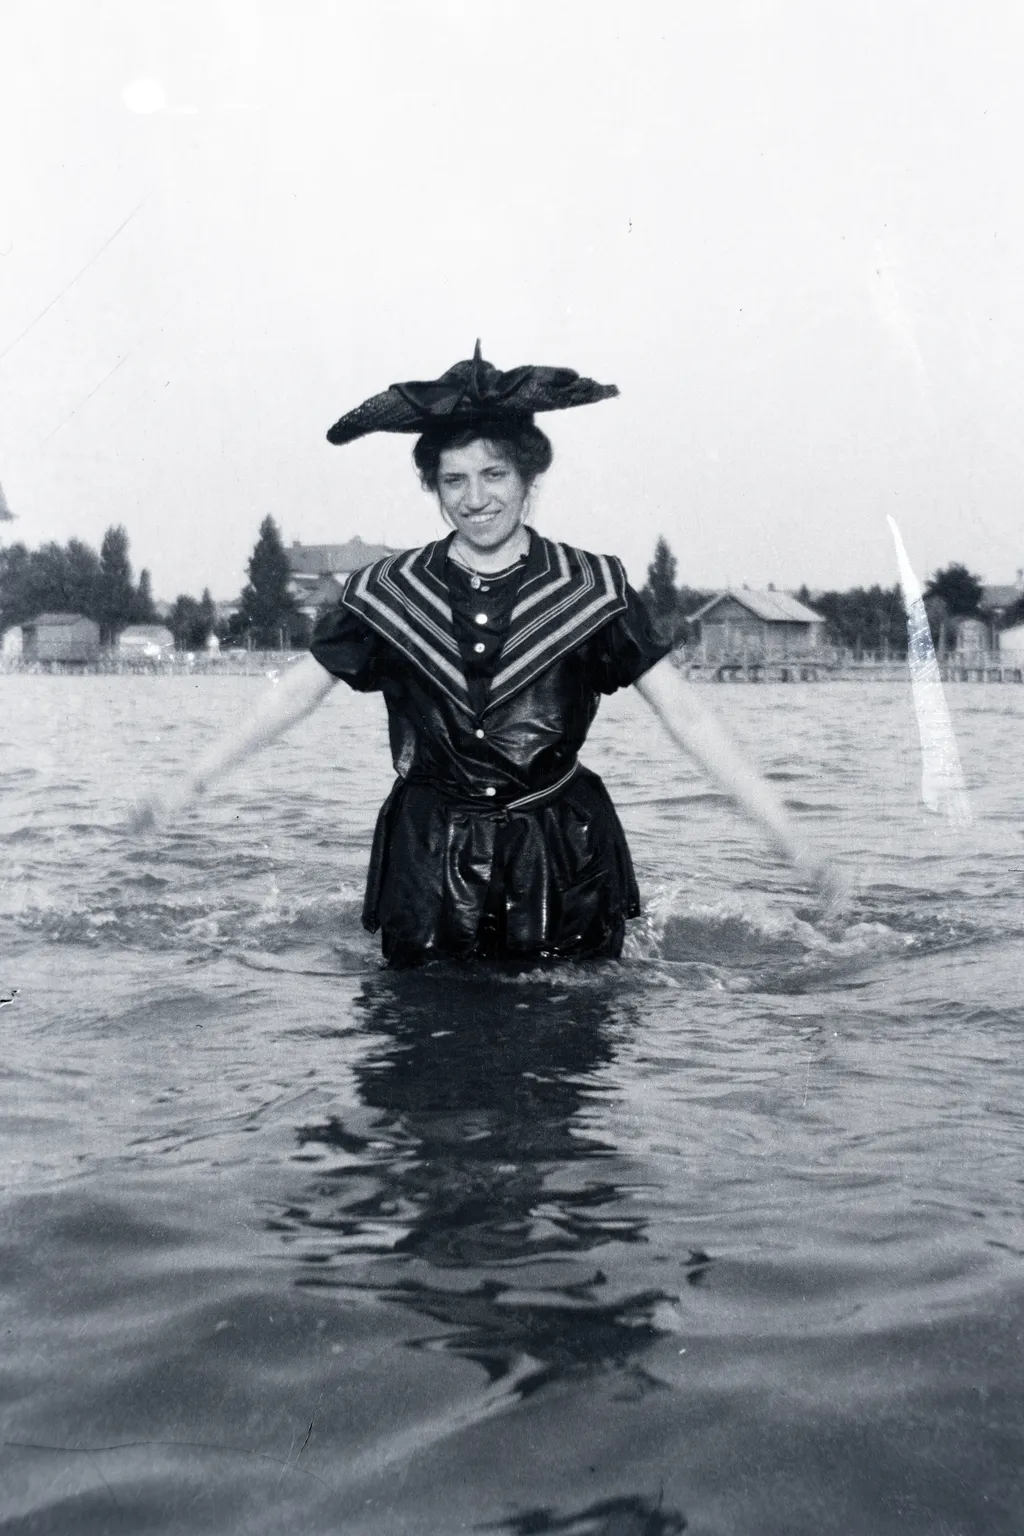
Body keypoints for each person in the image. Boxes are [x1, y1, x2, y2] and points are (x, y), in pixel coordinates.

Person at [131, 346, 843, 958]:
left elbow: (686, 716)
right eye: (454, 480)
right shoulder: (388, 590)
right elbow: (295, 691)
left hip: (561, 855)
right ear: (433, 487)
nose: (475, 499)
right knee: (420, 1044)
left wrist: (788, 835)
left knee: (565, 1039)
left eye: (494, 475)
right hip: (426, 858)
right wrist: (189, 783)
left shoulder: (592, 586)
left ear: (528, 478)